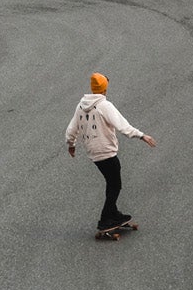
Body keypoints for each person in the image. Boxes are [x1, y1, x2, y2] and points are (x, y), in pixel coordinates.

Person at [65, 71, 156, 239]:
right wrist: (142, 135)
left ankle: (114, 214)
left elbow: (71, 129)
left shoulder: (80, 106)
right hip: (106, 151)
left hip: (93, 153)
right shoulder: (105, 106)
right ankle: (105, 219)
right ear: (105, 89)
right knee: (115, 185)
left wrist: (71, 145)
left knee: (111, 182)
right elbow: (122, 126)